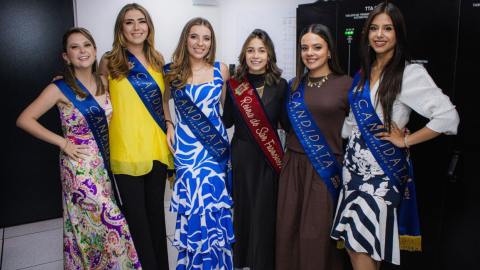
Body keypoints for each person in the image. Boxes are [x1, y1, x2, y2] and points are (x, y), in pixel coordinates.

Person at [330, 2, 460, 269]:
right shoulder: (363, 75)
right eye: (374, 28)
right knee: (362, 250)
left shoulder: (409, 73)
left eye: (387, 28)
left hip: (381, 172)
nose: (380, 34)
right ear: (366, 33)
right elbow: (351, 125)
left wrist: (406, 139)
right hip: (353, 171)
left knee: (360, 247)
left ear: (398, 34)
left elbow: (449, 117)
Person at [16, 27, 141, 269]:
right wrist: (62, 142)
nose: (82, 51)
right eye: (74, 47)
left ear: (95, 51)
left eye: (86, 45)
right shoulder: (59, 88)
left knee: (89, 227)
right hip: (78, 167)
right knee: (113, 221)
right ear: (66, 56)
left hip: (103, 165)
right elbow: (24, 119)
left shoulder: (104, 82)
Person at [98, 3, 174, 270]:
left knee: (156, 214)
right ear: (121, 28)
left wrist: (168, 123)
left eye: (141, 21)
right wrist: (69, 81)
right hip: (124, 149)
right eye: (129, 22)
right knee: (136, 217)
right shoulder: (109, 61)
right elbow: (94, 96)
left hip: (155, 147)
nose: (136, 27)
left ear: (148, 26)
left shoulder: (157, 58)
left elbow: (164, 101)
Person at [275, 24, 352, 270]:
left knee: (316, 234)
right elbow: (284, 124)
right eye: (305, 48)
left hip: (325, 169)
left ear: (329, 51)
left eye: (317, 47)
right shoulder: (293, 85)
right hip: (293, 166)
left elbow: (358, 130)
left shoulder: (347, 85)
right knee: (288, 229)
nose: (310, 53)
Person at [163, 17, 234, 269]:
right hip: (186, 151)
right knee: (193, 208)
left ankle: (217, 264)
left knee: (214, 206)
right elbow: (163, 102)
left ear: (211, 42)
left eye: (206, 38)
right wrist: (169, 124)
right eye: (194, 36)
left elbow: (227, 109)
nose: (200, 43)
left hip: (214, 150)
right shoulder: (171, 72)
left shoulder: (221, 70)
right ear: (186, 38)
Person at [223, 29, 290, 270]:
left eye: (261, 50)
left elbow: (286, 122)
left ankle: (264, 261)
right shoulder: (233, 85)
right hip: (241, 155)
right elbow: (227, 121)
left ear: (269, 55)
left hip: (268, 158)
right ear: (244, 54)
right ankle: (242, 259)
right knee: (242, 209)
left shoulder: (281, 85)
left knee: (265, 211)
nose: (256, 55)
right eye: (250, 50)